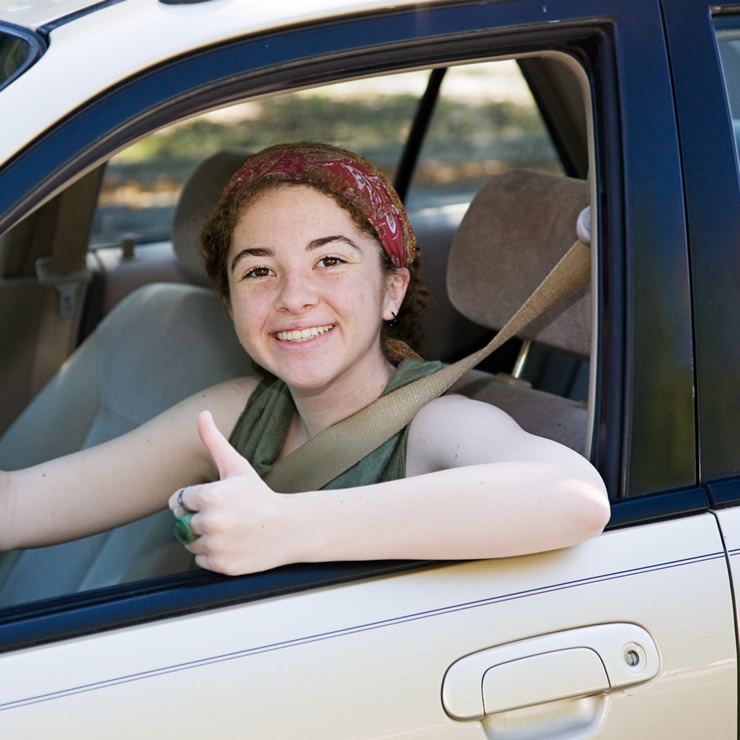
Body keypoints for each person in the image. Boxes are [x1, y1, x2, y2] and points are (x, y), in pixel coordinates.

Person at [0, 142, 609, 576]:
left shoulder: (435, 424)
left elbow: (574, 497)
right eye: (259, 271)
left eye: (331, 261)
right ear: (232, 302)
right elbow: (21, 505)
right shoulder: (235, 413)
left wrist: (284, 527)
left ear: (391, 289)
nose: (294, 297)